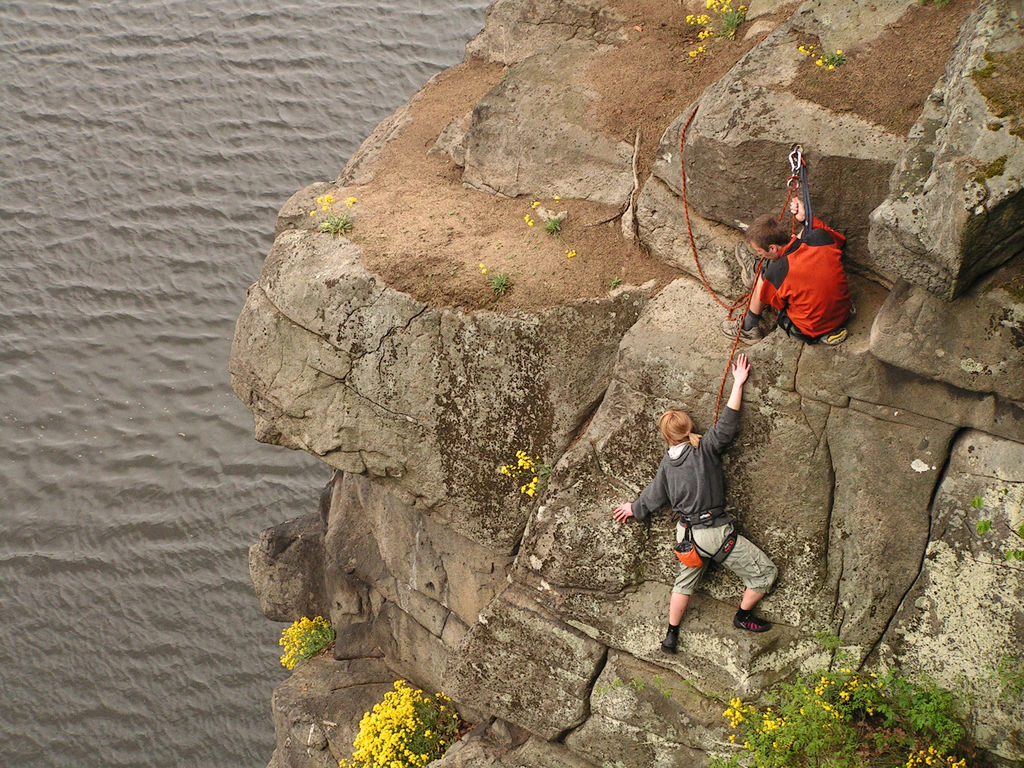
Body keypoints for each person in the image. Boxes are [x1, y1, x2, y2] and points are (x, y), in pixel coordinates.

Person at [611, 353, 777, 653]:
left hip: (686, 536)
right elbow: (727, 424)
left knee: (684, 583)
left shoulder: (668, 463)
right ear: (690, 426)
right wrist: (738, 382)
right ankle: (742, 616)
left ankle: (671, 634)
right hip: (714, 535)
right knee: (765, 574)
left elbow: (654, 495)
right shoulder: (705, 449)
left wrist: (633, 509)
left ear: (666, 437)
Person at [722, 198, 851, 345]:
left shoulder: (779, 271)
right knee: (806, 233)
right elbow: (839, 240)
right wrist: (805, 219)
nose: (759, 253)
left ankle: (748, 327)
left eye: (759, 251)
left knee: (764, 279)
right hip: (842, 314)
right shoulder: (821, 236)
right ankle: (758, 269)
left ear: (772, 248)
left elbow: (776, 303)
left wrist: (768, 275)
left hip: (813, 328)